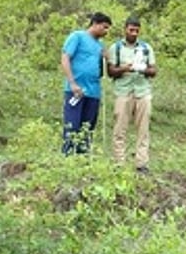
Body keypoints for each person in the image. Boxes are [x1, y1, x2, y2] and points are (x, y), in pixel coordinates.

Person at [107, 16, 157, 173]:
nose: (134, 33)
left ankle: (141, 164)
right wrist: (125, 68)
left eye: (137, 30)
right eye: (131, 30)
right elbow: (110, 71)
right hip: (123, 91)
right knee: (119, 128)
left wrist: (142, 69)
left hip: (143, 91)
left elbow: (153, 70)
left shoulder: (146, 48)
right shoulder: (116, 48)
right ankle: (119, 163)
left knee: (143, 129)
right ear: (125, 29)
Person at [60, 12, 112, 155]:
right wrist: (72, 83)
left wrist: (107, 58)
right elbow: (65, 58)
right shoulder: (77, 37)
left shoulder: (100, 46)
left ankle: (83, 160)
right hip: (76, 91)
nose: (106, 31)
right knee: (72, 126)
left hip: (93, 92)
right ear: (94, 23)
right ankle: (68, 158)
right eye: (104, 27)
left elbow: (103, 70)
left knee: (87, 128)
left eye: (108, 29)